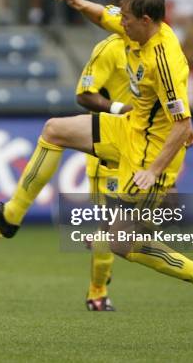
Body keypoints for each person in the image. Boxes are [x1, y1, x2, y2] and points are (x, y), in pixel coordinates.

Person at [0, 0, 193, 328]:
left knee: (120, 242)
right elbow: (104, 16)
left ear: (144, 19)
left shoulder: (165, 59)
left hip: (150, 154)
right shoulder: (138, 29)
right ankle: (11, 215)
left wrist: (154, 171)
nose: (120, 22)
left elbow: (183, 127)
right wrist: (79, 2)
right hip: (128, 128)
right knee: (54, 130)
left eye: (126, 18)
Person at [74, 34, 133, 312]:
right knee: (111, 231)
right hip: (107, 153)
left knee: (147, 222)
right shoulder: (110, 49)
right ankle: (97, 293)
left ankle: (99, 245)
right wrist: (120, 109)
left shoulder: (157, 48)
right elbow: (85, 95)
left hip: (138, 152)